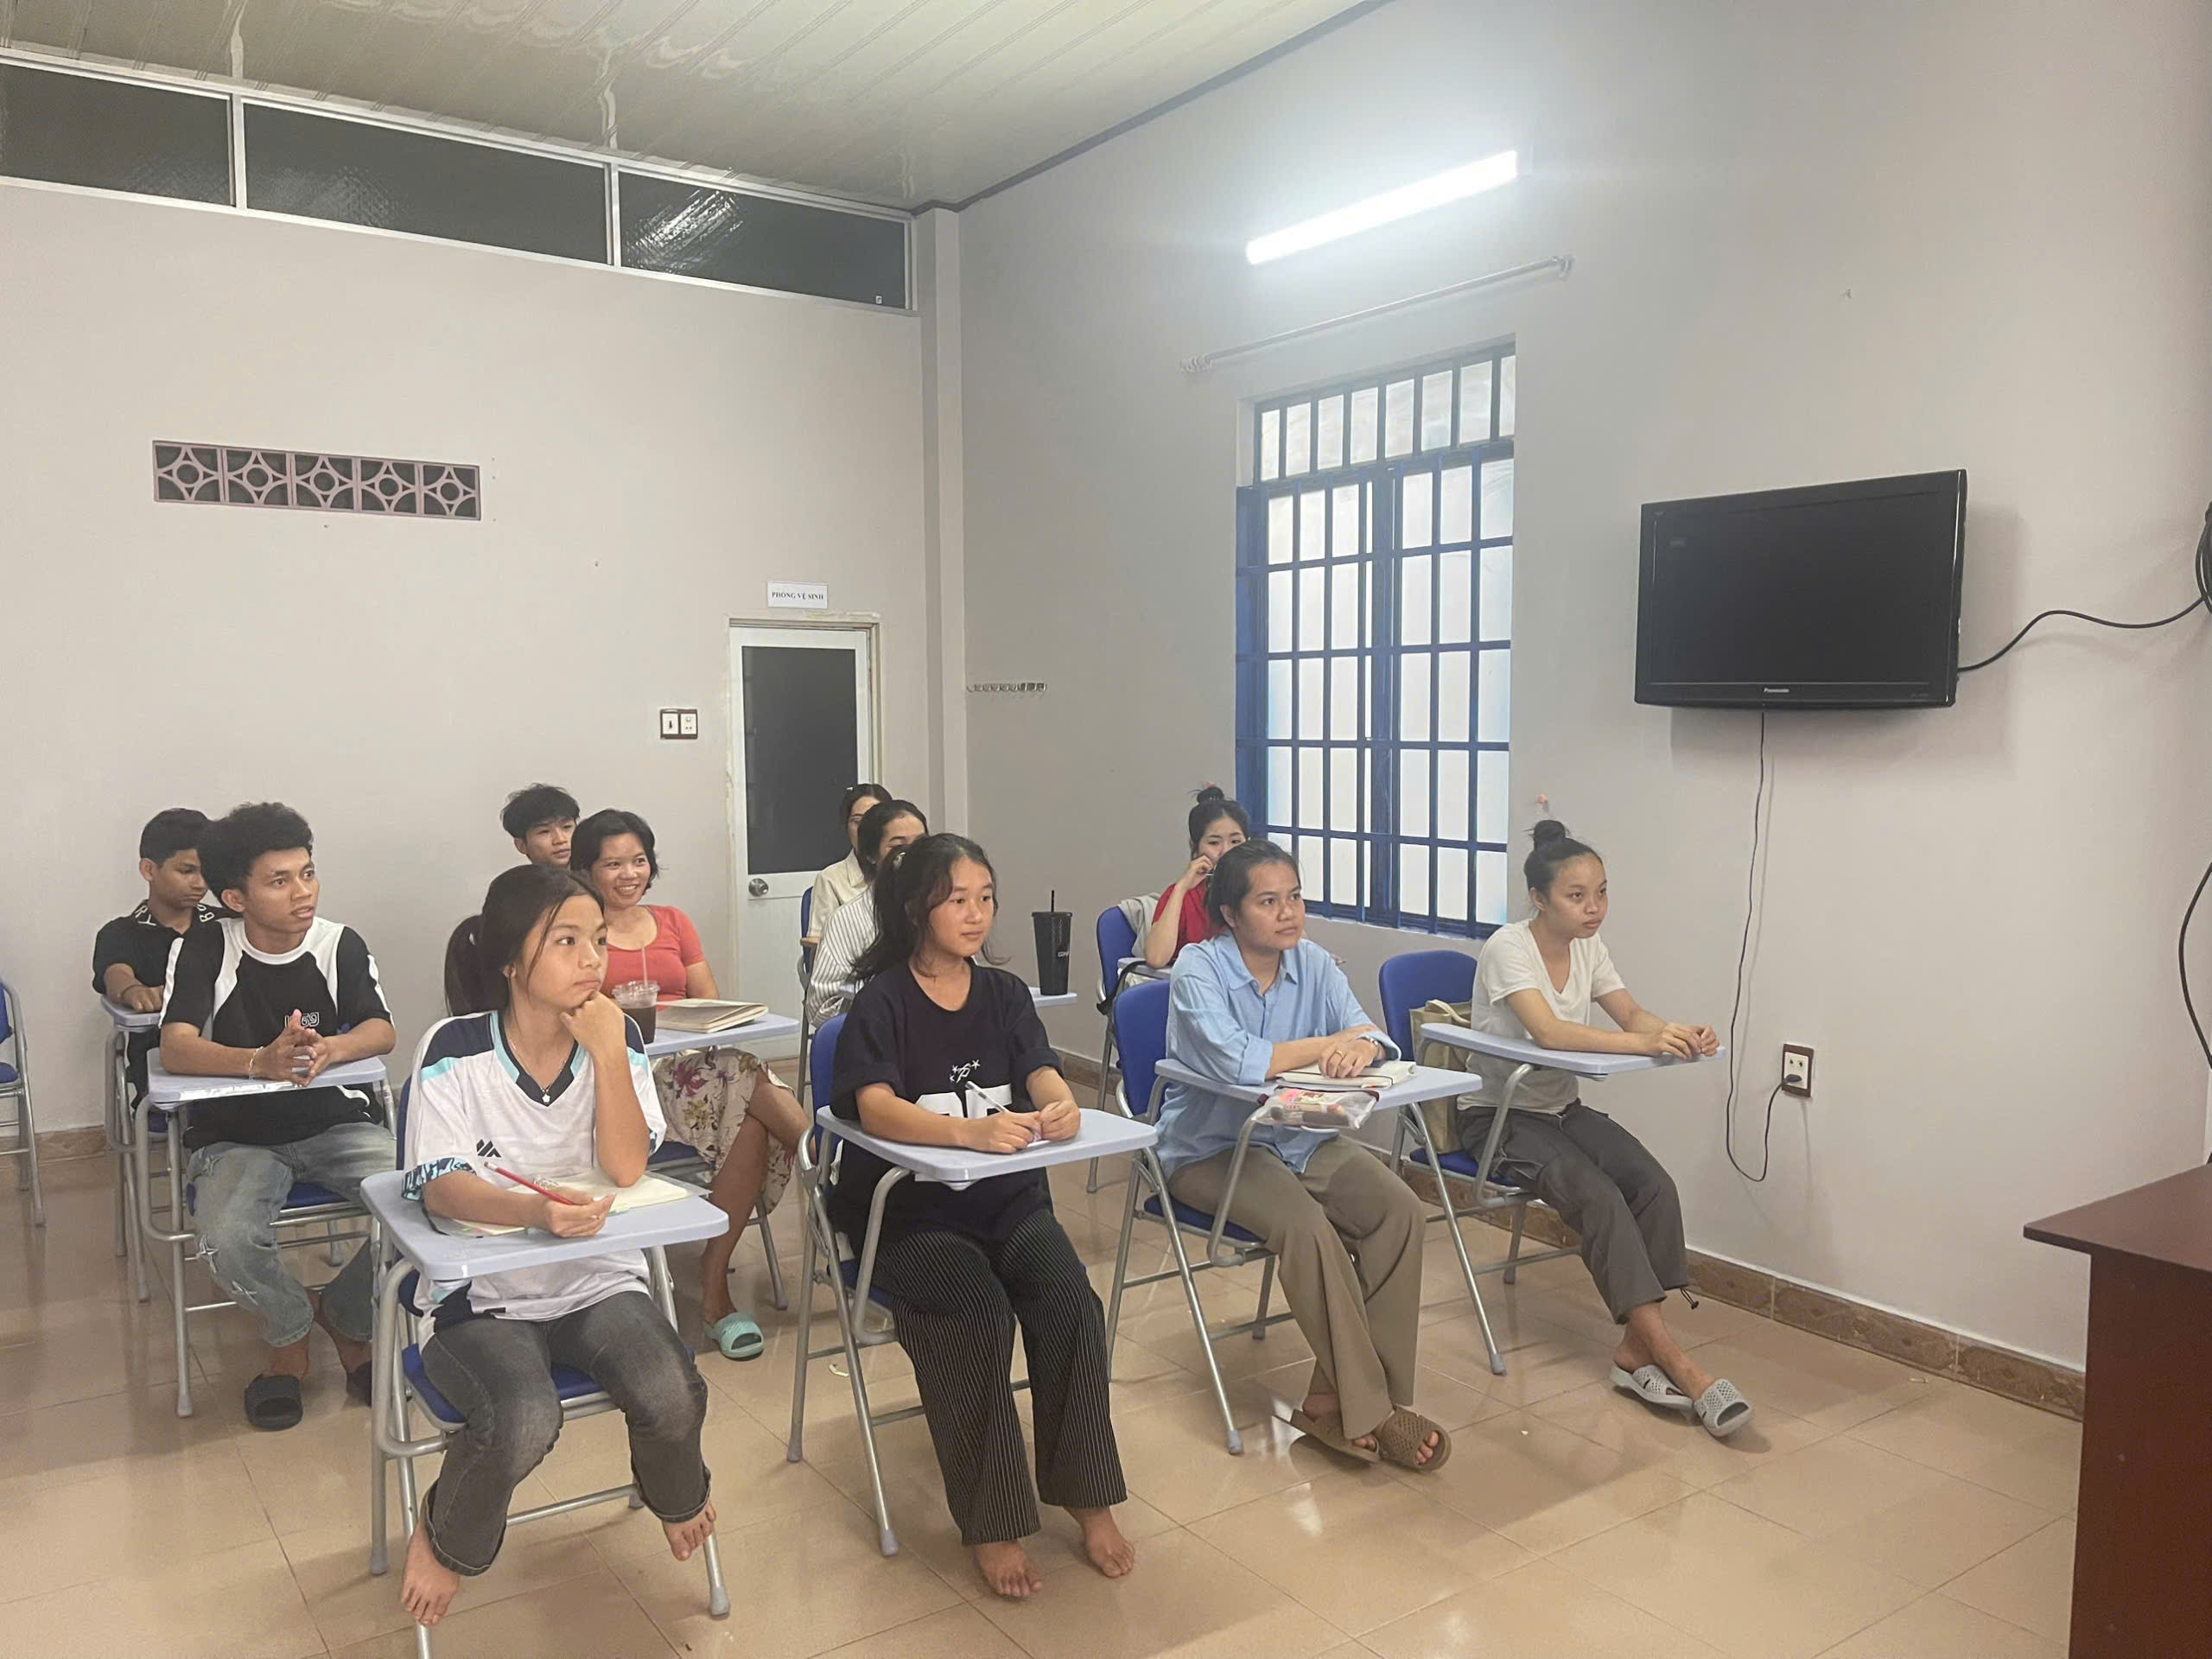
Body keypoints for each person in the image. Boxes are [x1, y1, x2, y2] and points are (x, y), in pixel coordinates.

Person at [400, 862, 715, 1630]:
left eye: (598, 941)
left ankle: (675, 1495)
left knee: (673, 1389)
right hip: (482, 1299)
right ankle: (444, 1535)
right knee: (522, 1416)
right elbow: (442, 1188)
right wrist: (534, 1213)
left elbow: (626, 1168)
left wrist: (607, 1055)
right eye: (566, 941)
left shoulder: (618, 1035)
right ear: (512, 961)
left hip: (595, 1280)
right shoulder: (454, 1048)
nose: (592, 960)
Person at [830, 833, 1134, 1599]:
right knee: (975, 1313)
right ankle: (993, 1520)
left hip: (1008, 1201)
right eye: (957, 900)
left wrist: (1061, 1105)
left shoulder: (1002, 994)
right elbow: (875, 1107)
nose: (975, 914)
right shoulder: (882, 1001)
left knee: (1070, 1303)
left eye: (985, 898)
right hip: (913, 1217)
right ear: (916, 909)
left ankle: (1087, 1495)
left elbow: (1040, 1069)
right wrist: (965, 1132)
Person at [1158, 838, 1448, 1473]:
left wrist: (1362, 1048)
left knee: (1399, 1211)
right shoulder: (1197, 969)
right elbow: (1239, 1059)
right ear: (1230, 914)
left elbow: (1374, 1033)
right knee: (1307, 1228)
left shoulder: (1312, 961)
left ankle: (1333, 1400)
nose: (1288, 912)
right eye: (1268, 902)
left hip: (1300, 1134)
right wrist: (1326, 1044)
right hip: (1212, 1149)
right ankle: (1374, 1412)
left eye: (1294, 897)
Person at [1455, 820, 1751, 1438]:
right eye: (1577, 896)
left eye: (1602, 893)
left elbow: (1631, 1013)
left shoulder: (1589, 947)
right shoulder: (1508, 947)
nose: (1594, 908)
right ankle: (1675, 1361)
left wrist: (1676, 1033)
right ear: (1539, 899)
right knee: (1599, 1197)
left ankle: (1635, 1349)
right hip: (1499, 1118)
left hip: (1561, 1109)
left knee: (1653, 1185)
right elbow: (1549, 1033)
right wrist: (1643, 1041)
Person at [158, 802, 397, 1431]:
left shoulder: (339, 943)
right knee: (227, 1237)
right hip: (236, 1135)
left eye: (308, 873)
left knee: (431, 1201)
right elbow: (175, 1046)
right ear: (236, 898)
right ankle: (289, 1333)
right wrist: (256, 1062)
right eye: (280, 881)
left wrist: (331, 1048)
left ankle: (346, 1317)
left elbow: (381, 1030)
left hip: (337, 1123)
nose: (303, 892)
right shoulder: (205, 946)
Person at [569, 807, 805, 1360]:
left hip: (696, 1069)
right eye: (613, 864)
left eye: (638, 861)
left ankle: (714, 1282)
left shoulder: (673, 921)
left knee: (747, 1115)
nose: (629, 874)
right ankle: (822, 1157)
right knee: (742, 1075)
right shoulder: (579, 933)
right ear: (586, 870)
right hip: (624, 1077)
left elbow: (709, 1002)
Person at [92, 807, 222, 1097]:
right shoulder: (119, 933)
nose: (201, 883)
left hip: (234, 1060)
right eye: (187, 871)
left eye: (206, 871)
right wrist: (135, 992)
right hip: (162, 1065)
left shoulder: (228, 923)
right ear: (149, 870)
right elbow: (117, 975)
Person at [805, 798, 928, 1025]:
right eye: (897, 846)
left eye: (921, 844)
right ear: (871, 855)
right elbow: (820, 1009)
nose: (913, 855)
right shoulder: (847, 920)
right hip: (876, 1031)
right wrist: (878, 1004)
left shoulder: (942, 910)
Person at [1141, 786, 1249, 969]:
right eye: (1214, 842)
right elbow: (1156, 958)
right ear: (1196, 847)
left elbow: (1291, 950)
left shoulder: (1259, 891)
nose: (1226, 851)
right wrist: (1182, 888)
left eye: (1236, 841)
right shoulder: (1184, 895)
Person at [806, 782, 890, 945]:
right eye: (857, 821)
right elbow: (820, 944)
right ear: (846, 826)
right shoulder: (831, 879)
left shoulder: (904, 872)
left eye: (874, 822)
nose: (865, 830)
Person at [500, 784, 579, 868]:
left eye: (567, 827)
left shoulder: (589, 875)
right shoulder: (516, 877)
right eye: (544, 831)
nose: (560, 840)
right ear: (521, 845)